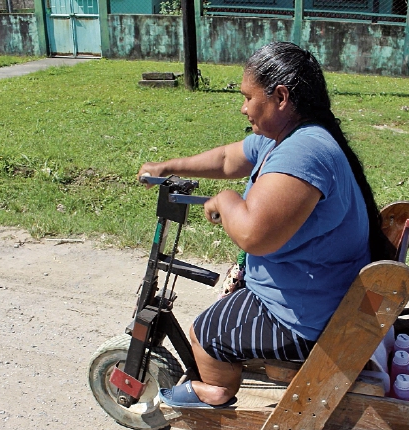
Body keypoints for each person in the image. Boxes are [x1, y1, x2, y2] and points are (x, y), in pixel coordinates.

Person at [138, 42, 391, 409]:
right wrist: (168, 167)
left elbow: (254, 236)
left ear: (281, 97)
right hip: (317, 292)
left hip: (305, 315)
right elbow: (228, 158)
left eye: (248, 97)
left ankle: (217, 391)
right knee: (221, 311)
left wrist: (225, 200)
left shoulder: (304, 152)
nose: (243, 108)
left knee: (203, 334)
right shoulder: (286, 138)